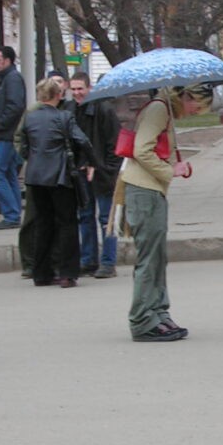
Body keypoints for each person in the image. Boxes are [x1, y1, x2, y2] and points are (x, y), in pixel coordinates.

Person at [118, 84, 209, 341]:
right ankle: (143, 319)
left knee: (157, 257)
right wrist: (171, 171)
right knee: (150, 258)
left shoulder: (163, 111)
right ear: (187, 96)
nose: (195, 112)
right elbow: (141, 150)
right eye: (196, 106)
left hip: (151, 190)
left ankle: (158, 311)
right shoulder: (158, 110)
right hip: (144, 191)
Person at [19, 76, 94, 289]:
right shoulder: (64, 116)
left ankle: (41, 273)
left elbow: (24, 147)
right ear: (58, 95)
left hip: (35, 177)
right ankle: (68, 273)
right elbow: (82, 140)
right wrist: (90, 161)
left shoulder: (30, 118)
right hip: (60, 177)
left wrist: (33, 160)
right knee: (67, 223)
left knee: (43, 223)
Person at [67, 72, 121, 278]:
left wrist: (103, 168)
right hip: (81, 172)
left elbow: (113, 144)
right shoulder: (71, 109)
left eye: (80, 88)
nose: (77, 93)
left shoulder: (104, 110)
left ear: (89, 88)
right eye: (73, 89)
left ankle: (108, 262)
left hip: (102, 173)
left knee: (106, 218)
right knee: (85, 216)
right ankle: (88, 259)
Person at [0, 46, 27, 228]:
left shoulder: (12, 79)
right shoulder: (10, 78)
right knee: (9, 173)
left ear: (7, 61)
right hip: (8, 134)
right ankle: (13, 213)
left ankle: (11, 215)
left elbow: (15, 107)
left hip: (7, 135)